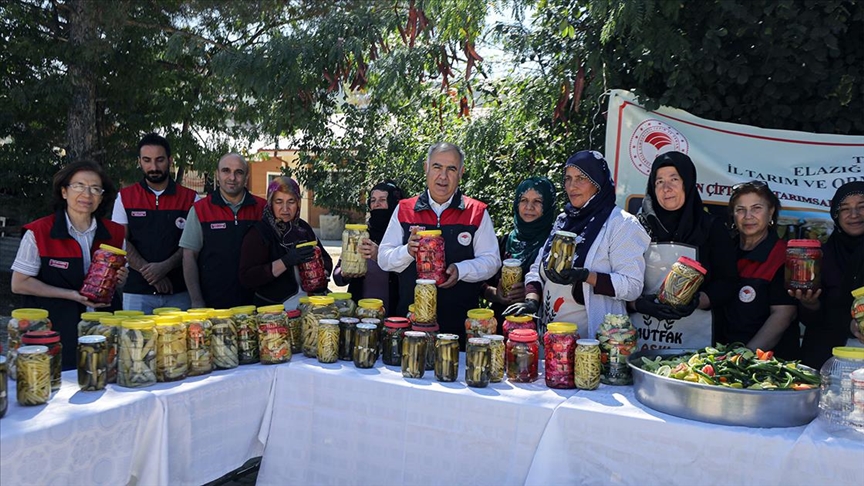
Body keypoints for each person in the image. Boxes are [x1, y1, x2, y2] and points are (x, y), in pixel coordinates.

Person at [504, 151, 650, 338]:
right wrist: (532, 299)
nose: (572, 186)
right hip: (551, 340)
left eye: (581, 178)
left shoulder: (621, 224)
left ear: (598, 183)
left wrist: (585, 276)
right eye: (568, 179)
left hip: (591, 342)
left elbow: (632, 286)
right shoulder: (564, 220)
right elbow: (537, 267)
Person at [378, 142, 501, 345]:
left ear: (461, 172)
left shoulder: (476, 211)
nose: (443, 176)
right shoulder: (404, 209)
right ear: (426, 167)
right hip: (413, 325)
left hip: (460, 327)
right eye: (437, 167)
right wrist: (407, 251)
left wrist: (461, 270)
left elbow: (491, 261)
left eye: (451, 169)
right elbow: (384, 259)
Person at [11, 161, 128, 370]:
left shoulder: (115, 232)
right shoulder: (39, 232)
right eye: (79, 186)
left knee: (105, 382)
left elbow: (118, 281)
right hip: (55, 329)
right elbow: (19, 283)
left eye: (95, 189)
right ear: (64, 192)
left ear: (102, 197)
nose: (87, 194)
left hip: (104, 328)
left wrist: (121, 279)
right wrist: (70, 294)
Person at [630, 151, 737, 343]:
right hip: (642, 337)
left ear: (687, 183)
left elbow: (728, 282)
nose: (666, 188)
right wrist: (638, 304)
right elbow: (620, 280)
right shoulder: (636, 227)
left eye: (674, 179)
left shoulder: (711, 227)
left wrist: (697, 300)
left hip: (695, 341)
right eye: (659, 181)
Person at [112, 133, 198, 313]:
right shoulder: (125, 197)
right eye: (147, 160)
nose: (153, 167)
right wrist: (152, 274)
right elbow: (120, 240)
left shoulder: (191, 198)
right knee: (134, 342)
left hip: (179, 291)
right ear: (139, 161)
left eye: (159, 160)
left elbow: (195, 243)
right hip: (136, 292)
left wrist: (165, 266)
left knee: (178, 341)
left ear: (170, 160)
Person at [720, 181, 798, 359]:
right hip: (722, 354)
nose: (748, 216)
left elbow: (783, 315)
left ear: (770, 211)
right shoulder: (724, 251)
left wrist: (744, 357)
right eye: (740, 209)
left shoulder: (783, 256)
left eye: (756, 208)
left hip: (767, 364)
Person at [179, 153, 266, 309]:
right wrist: (196, 301)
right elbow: (189, 256)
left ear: (246, 176)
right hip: (213, 306)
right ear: (217, 174)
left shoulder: (263, 209)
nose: (232, 177)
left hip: (258, 304)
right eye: (226, 171)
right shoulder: (200, 210)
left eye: (239, 172)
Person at [795, 181, 864, 368]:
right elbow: (813, 321)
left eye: (861, 207)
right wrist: (811, 305)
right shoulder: (821, 256)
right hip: (828, 362)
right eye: (845, 209)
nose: (854, 215)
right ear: (836, 215)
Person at [238, 177, 333, 307]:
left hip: (309, 305)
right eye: (279, 202)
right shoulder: (259, 233)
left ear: (298, 203)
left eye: (291, 201)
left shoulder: (303, 228)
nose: (285, 208)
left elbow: (326, 259)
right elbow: (247, 277)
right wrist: (286, 261)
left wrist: (319, 274)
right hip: (275, 310)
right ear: (271, 203)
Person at [482, 176, 557, 324]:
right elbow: (479, 284)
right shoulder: (503, 243)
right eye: (523, 200)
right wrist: (497, 294)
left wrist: (531, 293)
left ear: (548, 205)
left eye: (538, 201)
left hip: (542, 329)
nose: (529, 207)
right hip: (501, 328)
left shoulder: (554, 244)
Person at [333, 180, 404, 314]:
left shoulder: (402, 234)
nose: (376, 204)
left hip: (394, 313)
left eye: (383, 200)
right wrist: (344, 274)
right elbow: (337, 277)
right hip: (360, 315)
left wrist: (380, 256)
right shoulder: (359, 234)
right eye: (373, 200)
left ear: (394, 203)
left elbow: (409, 275)